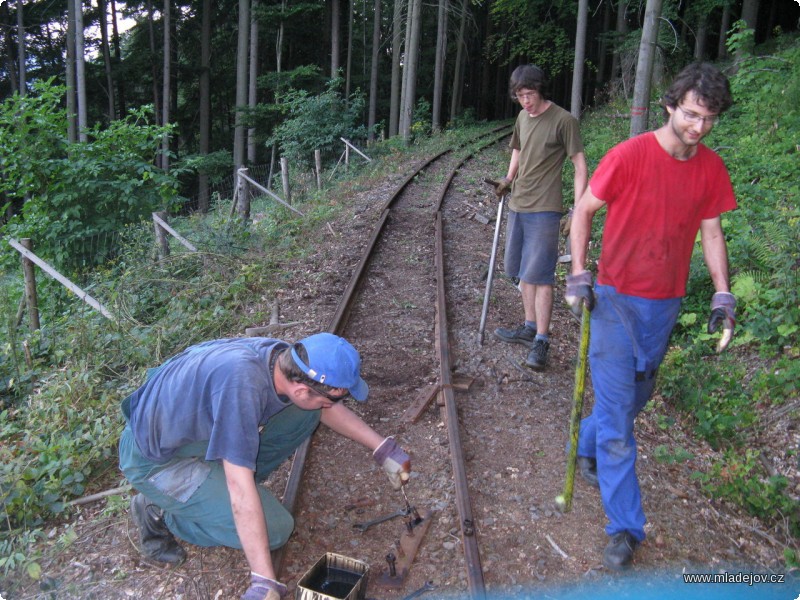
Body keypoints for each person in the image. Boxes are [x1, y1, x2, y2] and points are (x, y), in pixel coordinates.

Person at [565, 62, 737, 571]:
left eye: (708, 119)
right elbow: (583, 210)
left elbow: (711, 233)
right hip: (614, 299)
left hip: (665, 304)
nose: (698, 127)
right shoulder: (629, 155)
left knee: (635, 398)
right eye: (689, 114)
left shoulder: (710, 168)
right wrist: (578, 270)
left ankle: (586, 444)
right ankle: (624, 529)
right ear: (670, 105)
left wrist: (723, 294)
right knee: (620, 422)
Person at [119, 333, 411, 600]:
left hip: (190, 433)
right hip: (158, 461)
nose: (331, 405)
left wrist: (381, 448)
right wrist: (264, 581)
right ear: (301, 389)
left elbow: (323, 406)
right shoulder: (241, 384)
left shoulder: (283, 359)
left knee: (305, 415)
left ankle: (216, 486)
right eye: (331, 399)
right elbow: (239, 486)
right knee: (277, 529)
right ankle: (160, 511)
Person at [493, 64, 588, 371]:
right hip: (519, 203)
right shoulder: (522, 117)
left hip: (545, 209)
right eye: (520, 96)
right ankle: (529, 326)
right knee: (520, 271)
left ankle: (542, 341)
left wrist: (578, 208)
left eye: (530, 94)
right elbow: (518, 151)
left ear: (541, 90)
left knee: (541, 276)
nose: (525, 101)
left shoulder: (563, 120)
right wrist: (507, 180)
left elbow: (580, 166)